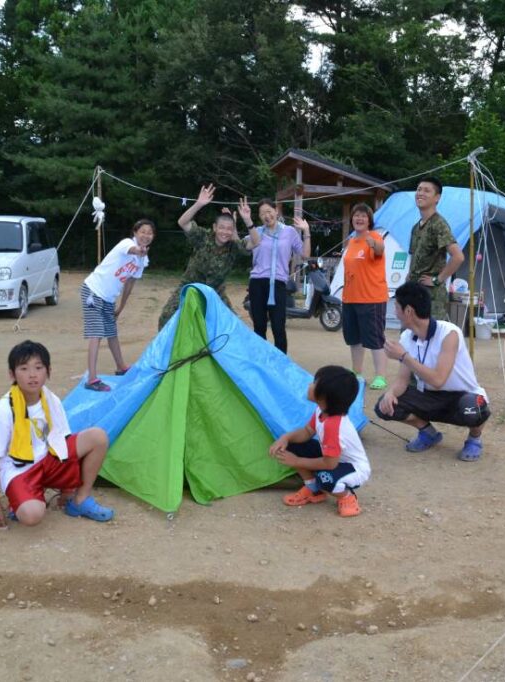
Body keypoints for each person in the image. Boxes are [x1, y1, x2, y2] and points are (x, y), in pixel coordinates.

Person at [0, 340, 113, 527]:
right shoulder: (4, 410)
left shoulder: (51, 400)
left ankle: (79, 500)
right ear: (12, 374)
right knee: (32, 516)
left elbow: (63, 442)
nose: (32, 375)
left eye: (38, 367)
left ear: (48, 371)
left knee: (98, 437)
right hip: (19, 469)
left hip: (47, 459)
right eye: (24, 369)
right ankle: (20, 501)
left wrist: (68, 488)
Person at [375, 282, 490, 462]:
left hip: (460, 396)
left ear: (408, 311)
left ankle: (474, 438)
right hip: (429, 396)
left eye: (397, 306)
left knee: (472, 407)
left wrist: (404, 356)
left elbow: (439, 380)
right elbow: (402, 381)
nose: (394, 311)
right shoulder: (407, 336)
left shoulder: (449, 333)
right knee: (385, 406)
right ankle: (427, 432)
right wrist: (390, 393)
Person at [269, 365, 368, 517]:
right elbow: (307, 432)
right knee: (292, 445)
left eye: (314, 383)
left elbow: (330, 464)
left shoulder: (333, 426)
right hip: (331, 458)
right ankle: (312, 490)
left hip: (353, 468)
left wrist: (296, 461)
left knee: (325, 479)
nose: (309, 385)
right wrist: (285, 438)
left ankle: (347, 497)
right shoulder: (321, 411)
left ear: (324, 396)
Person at [157, 184, 260, 329]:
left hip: (215, 292)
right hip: (189, 288)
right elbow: (182, 222)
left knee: (233, 326)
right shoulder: (203, 237)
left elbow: (256, 242)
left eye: (229, 229)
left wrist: (248, 220)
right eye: (222, 227)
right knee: (166, 317)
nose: (225, 232)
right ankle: (168, 350)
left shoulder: (233, 246)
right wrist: (198, 204)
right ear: (214, 227)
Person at [81, 219, 154, 391]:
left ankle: (121, 367)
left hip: (108, 298)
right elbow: (133, 250)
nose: (146, 235)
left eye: (149, 233)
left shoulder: (142, 261)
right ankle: (91, 379)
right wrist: (139, 251)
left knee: (112, 332)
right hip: (93, 290)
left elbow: (129, 284)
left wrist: (121, 307)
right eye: (142, 231)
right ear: (135, 233)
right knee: (97, 332)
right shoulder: (126, 244)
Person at [248, 198, 311, 353]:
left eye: (269, 211)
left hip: (278, 284)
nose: (266, 216)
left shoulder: (289, 232)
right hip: (257, 284)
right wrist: (235, 225)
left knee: (278, 327)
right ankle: (260, 363)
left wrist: (306, 231)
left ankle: (281, 366)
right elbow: (241, 246)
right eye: (262, 213)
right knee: (259, 327)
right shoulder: (257, 232)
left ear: (276, 211)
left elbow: (305, 255)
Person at [340, 203, 389, 390]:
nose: (359, 219)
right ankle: (357, 372)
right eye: (356, 215)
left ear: (369, 220)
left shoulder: (375, 237)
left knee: (375, 338)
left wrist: (373, 243)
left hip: (372, 298)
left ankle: (381, 376)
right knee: (354, 339)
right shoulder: (352, 241)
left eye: (363, 216)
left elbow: (379, 249)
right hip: (351, 297)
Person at [406, 177, 465, 320]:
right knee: (410, 337)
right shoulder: (416, 227)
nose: (420, 193)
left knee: (431, 338)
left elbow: (458, 256)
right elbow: (414, 258)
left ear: (437, 198)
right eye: (419, 189)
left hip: (431, 297)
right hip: (413, 293)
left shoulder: (438, 224)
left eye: (427, 191)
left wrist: (438, 280)